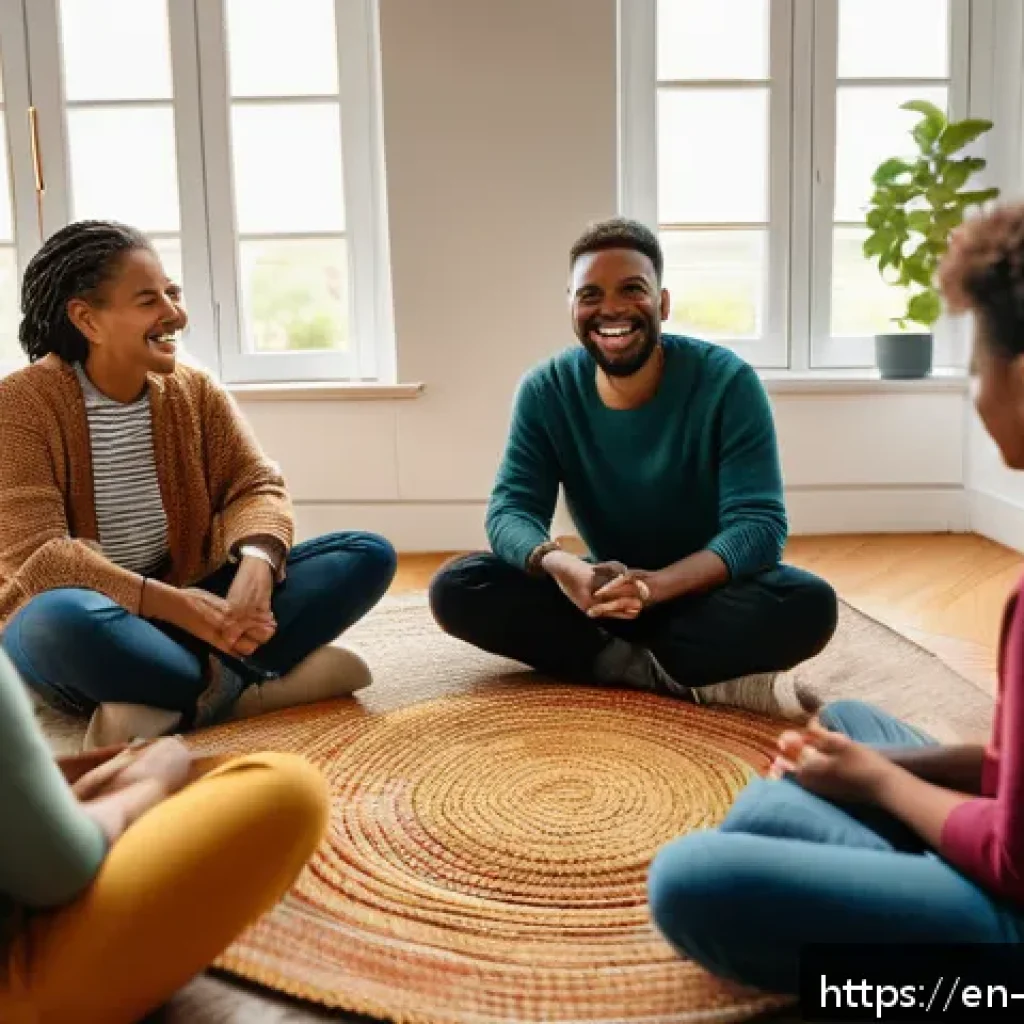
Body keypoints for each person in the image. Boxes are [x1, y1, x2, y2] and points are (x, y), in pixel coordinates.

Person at [647, 203, 1024, 995]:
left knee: (691, 873)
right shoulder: (552, 389)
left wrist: (883, 784)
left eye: (975, 362)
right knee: (845, 731)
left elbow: (1013, 859)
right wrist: (868, 763)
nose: (971, 385)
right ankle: (899, 890)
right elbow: (1010, 771)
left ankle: (956, 980)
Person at [0, 221, 397, 748]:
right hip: (102, 619)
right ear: (87, 319)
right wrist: (180, 607)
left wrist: (256, 565)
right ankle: (251, 683)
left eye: (173, 292)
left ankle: (167, 703)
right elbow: (42, 558)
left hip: (193, 611)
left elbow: (255, 485)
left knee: (365, 554)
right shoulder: (20, 406)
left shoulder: (194, 390)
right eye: (148, 300)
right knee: (57, 619)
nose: (173, 313)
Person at [429, 218, 837, 718]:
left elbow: (759, 527)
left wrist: (657, 586)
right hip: (601, 602)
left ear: (662, 303)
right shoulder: (546, 390)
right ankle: (656, 671)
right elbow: (510, 510)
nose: (612, 309)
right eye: (591, 294)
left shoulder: (728, 382)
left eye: (632, 290)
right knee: (459, 587)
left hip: (701, 597)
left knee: (806, 604)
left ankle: (606, 660)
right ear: (572, 307)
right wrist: (566, 569)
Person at [0, 649, 328, 1024]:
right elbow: (58, 869)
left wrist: (255, 589)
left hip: (196, 640)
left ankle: (226, 684)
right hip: (16, 979)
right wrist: (143, 784)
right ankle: (224, 689)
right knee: (287, 789)